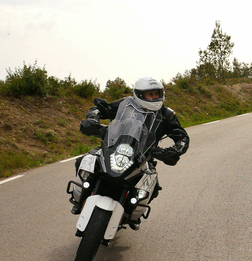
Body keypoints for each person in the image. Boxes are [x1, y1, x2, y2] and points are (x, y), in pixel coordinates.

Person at [72, 76, 190, 221]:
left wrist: (176, 149)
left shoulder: (167, 114)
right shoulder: (126, 104)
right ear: (139, 95)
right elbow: (101, 109)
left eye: (157, 94)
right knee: (84, 161)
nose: (154, 98)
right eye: (150, 94)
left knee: (153, 187)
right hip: (115, 146)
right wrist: (92, 119)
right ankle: (80, 198)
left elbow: (181, 136)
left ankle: (133, 215)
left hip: (144, 156)